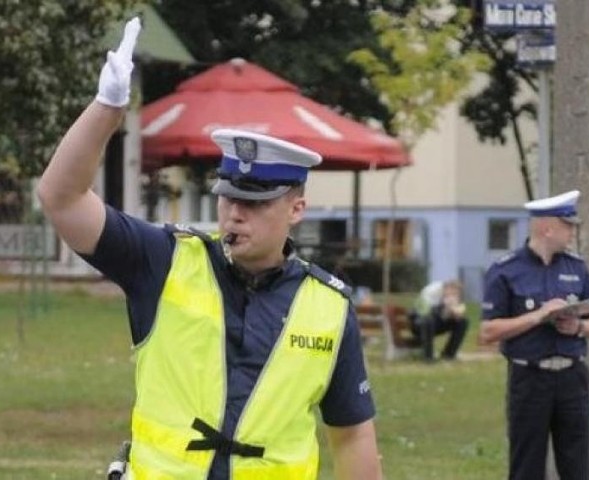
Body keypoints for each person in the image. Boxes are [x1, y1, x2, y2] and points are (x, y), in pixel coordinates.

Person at [37, 18, 383, 480]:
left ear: (296, 208)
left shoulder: (330, 307)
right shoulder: (164, 260)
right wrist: (107, 109)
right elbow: (62, 199)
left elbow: (354, 434)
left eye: (255, 201)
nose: (235, 213)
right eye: (228, 196)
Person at [480, 190, 589, 480]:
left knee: (576, 465)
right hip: (529, 379)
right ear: (546, 228)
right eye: (568, 226)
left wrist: (579, 327)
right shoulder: (506, 270)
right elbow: (488, 331)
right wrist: (538, 316)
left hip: (571, 378)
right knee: (527, 466)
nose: (572, 233)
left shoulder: (576, 268)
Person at [410, 280, 469, 361]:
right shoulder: (431, 292)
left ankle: (449, 354)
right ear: (445, 289)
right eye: (451, 293)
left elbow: (447, 315)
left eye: (456, 294)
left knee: (463, 321)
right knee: (428, 320)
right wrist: (443, 307)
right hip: (418, 323)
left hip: (435, 324)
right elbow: (423, 312)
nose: (453, 296)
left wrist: (454, 315)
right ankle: (428, 357)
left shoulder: (453, 297)